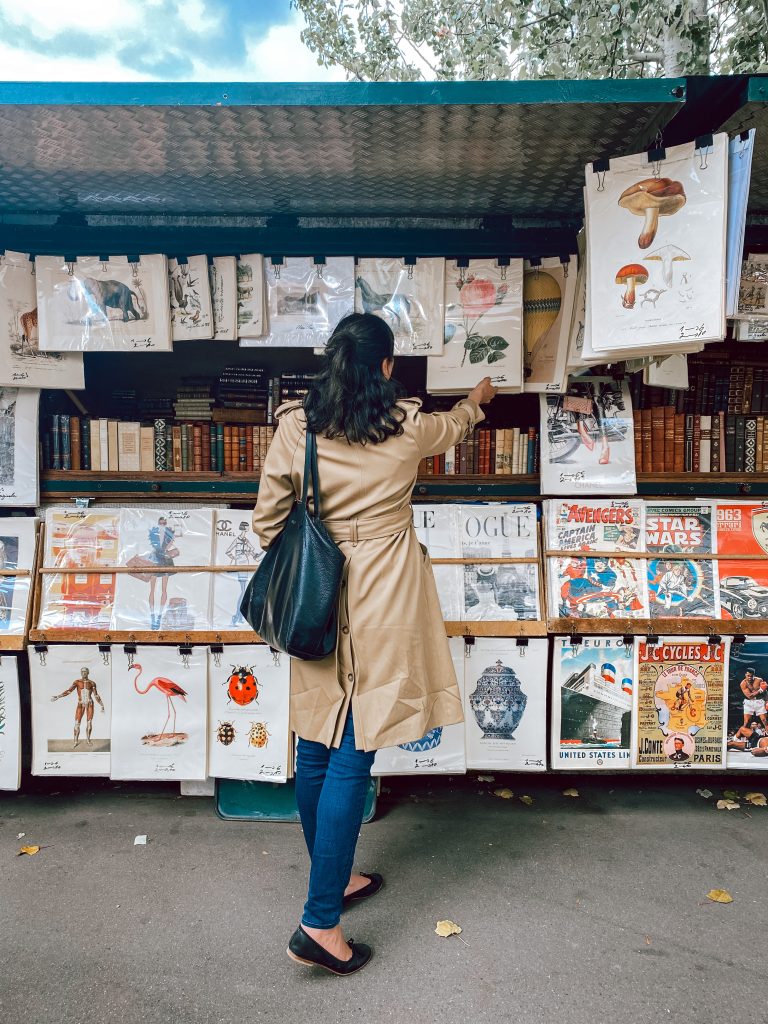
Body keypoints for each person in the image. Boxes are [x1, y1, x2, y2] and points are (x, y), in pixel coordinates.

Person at [252, 312, 496, 976]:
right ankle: (320, 922)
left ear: (331, 361)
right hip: (386, 595)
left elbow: (266, 521)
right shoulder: (407, 428)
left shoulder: (296, 428)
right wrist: (476, 402)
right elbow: (452, 428)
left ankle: (336, 880)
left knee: (316, 740)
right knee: (357, 747)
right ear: (387, 367)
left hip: (320, 598)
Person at [51, 666, 105, 747]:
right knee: (77, 723)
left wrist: (101, 705)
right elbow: (69, 691)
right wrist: (58, 696)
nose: (83, 673)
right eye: (82, 671)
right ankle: (75, 741)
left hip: (90, 704)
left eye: (85, 671)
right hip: (80, 704)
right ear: (80, 673)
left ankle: (88, 739)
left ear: (88, 672)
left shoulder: (92, 683)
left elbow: (96, 695)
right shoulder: (77, 682)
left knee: (89, 723)